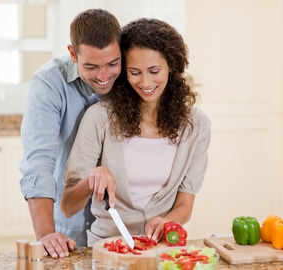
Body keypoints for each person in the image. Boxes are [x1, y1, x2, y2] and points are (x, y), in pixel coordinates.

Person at [60, 18, 211, 246]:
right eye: (135, 72)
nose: (146, 81)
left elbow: (185, 206)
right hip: (107, 247)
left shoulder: (196, 125)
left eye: (154, 70)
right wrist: (92, 179)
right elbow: (68, 206)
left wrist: (165, 222)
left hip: (162, 248)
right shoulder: (100, 117)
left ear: (171, 65)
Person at [18, 9, 122, 258]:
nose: (104, 76)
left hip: (120, 226)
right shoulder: (49, 82)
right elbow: (39, 162)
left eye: (112, 63)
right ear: (72, 54)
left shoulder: (132, 73)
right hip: (71, 225)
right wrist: (46, 235)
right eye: (91, 66)